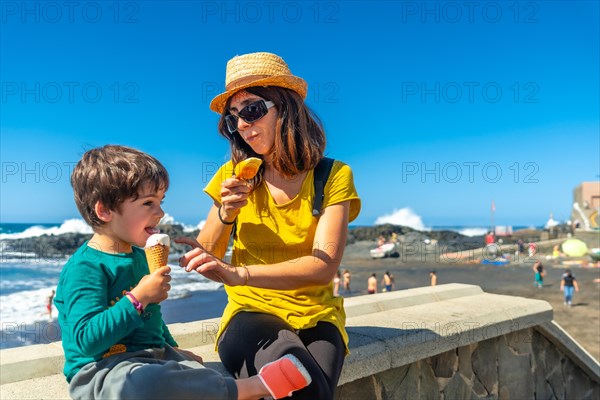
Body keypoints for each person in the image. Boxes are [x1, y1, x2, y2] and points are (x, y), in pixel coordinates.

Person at [55, 145, 310, 400]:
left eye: (160, 202)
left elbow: (152, 316)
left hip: (151, 356)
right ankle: (251, 388)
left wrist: (171, 346)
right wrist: (137, 299)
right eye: (148, 203)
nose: (161, 213)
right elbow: (86, 339)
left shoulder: (139, 257)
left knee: (191, 372)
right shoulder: (85, 268)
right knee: (144, 383)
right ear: (105, 211)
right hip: (102, 372)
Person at [177, 52, 361, 399]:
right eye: (233, 119)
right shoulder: (231, 177)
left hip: (317, 315)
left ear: (286, 108)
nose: (243, 125)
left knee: (308, 389)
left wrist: (239, 273)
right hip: (250, 312)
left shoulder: (333, 176)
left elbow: (323, 265)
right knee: (301, 386)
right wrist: (225, 214)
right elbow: (205, 257)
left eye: (251, 110)